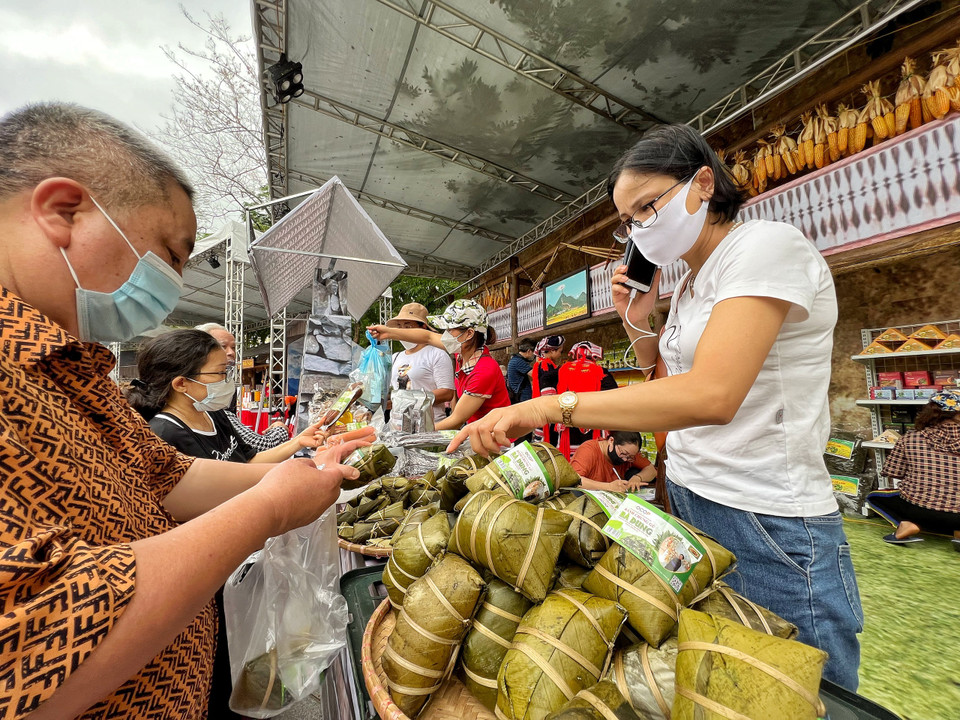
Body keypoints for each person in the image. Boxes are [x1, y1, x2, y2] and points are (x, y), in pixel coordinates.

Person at [449, 123, 863, 690]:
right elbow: (669, 384)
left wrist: (550, 410)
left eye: (647, 207)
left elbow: (713, 396)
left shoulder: (765, 246)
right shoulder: (692, 282)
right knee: (722, 684)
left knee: (794, 689)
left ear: (702, 183)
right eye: (628, 221)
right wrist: (639, 325)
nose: (638, 229)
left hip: (764, 515)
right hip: (694, 496)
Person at [0, 102, 366, 720]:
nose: (174, 279)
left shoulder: (69, 371)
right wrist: (269, 507)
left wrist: (297, 467)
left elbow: (170, 479)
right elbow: (29, 651)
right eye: (171, 252)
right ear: (63, 213)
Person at [127, 329, 333, 718]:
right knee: (223, 657)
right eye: (219, 373)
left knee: (249, 649)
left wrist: (297, 446)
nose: (228, 381)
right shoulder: (166, 433)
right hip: (216, 567)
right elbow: (202, 505)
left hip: (244, 557)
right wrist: (289, 487)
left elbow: (244, 468)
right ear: (181, 383)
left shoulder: (210, 414)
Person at [368, 299, 510, 430]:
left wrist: (417, 432)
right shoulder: (462, 352)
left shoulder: (484, 370)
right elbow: (427, 336)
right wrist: (388, 332)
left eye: (450, 330)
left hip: (498, 440)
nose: (445, 335)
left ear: (469, 334)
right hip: (478, 432)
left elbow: (456, 419)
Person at [867, 390, 960, 550]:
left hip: (917, 510)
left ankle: (907, 525)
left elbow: (894, 472)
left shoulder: (910, 437)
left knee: (874, 497)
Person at [195, 321, 292, 450]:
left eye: (234, 347)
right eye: (223, 346)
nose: (231, 352)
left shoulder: (216, 410)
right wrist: (280, 429)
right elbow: (260, 446)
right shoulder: (208, 410)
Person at [386, 303, 454, 423]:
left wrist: (411, 400)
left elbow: (447, 393)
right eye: (399, 327)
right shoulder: (395, 357)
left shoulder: (437, 354)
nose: (403, 332)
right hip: (399, 424)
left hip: (430, 425)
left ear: (423, 327)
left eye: (407, 327)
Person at [555, 341, 620, 457]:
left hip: (569, 420)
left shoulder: (564, 370)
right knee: (593, 455)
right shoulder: (600, 371)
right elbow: (613, 395)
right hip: (593, 421)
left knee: (571, 457)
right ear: (593, 356)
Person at [571, 431, 657, 492]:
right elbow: (575, 481)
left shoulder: (629, 453)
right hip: (588, 498)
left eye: (630, 457)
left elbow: (651, 470)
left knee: (634, 472)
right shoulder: (589, 450)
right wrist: (609, 487)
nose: (625, 459)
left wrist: (637, 478)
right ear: (611, 441)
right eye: (623, 453)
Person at [531, 334, 564, 443]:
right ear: (553, 351)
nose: (560, 354)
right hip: (547, 411)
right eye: (560, 351)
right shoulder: (546, 366)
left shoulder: (540, 365)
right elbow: (547, 394)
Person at [506, 339, 536, 403]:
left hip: (519, 396)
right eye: (534, 353)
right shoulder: (518, 361)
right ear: (529, 351)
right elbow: (535, 374)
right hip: (522, 397)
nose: (534, 355)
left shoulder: (515, 359)